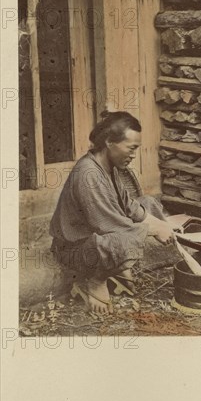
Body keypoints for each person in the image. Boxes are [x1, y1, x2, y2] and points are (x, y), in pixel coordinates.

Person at [50, 111, 176, 315]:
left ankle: (115, 268)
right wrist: (155, 230)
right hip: (75, 249)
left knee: (148, 203)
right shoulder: (88, 174)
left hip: (95, 237)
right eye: (131, 148)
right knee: (127, 238)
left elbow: (129, 206)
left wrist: (162, 225)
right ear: (109, 141)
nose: (134, 154)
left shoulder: (109, 167)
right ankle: (95, 280)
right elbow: (110, 224)